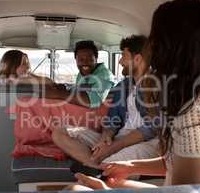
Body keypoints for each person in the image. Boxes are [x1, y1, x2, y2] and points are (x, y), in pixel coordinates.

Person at [68, 0, 200, 191]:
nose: (152, 47)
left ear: (170, 48)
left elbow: (181, 189)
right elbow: (181, 160)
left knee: (76, 190)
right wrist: (130, 167)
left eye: (156, 38)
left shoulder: (198, 109)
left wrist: (105, 190)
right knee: (112, 181)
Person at [52, 35, 160, 169]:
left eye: (124, 56)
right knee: (60, 132)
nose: (120, 61)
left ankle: (96, 168)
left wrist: (113, 147)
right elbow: (112, 119)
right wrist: (106, 137)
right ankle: (94, 166)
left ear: (137, 59)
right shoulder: (124, 86)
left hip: (146, 143)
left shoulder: (156, 85)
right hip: (120, 138)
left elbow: (152, 127)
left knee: (109, 166)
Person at [41, 40, 115, 108]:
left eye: (89, 59)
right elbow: (81, 90)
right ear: (75, 60)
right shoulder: (81, 74)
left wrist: (58, 93)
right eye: (81, 59)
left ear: (96, 58)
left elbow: (94, 101)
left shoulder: (105, 75)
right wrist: (66, 89)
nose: (85, 63)